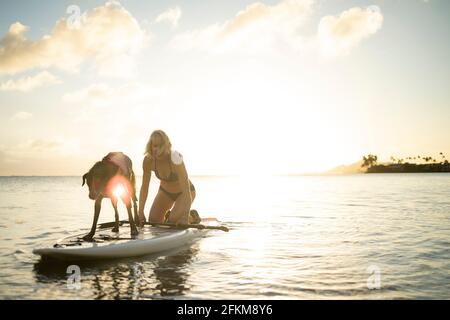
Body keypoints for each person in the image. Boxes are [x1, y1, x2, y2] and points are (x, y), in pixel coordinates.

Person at [138, 130, 196, 226]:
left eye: (160, 146)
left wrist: (185, 217)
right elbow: (144, 188)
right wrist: (140, 212)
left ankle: (192, 216)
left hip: (185, 193)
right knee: (153, 221)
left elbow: (186, 189)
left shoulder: (176, 158)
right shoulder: (148, 161)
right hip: (165, 192)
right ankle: (172, 215)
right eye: (155, 146)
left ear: (166, 145)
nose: (157, 149)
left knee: (172, 221)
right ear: (151, 146)